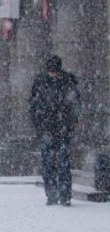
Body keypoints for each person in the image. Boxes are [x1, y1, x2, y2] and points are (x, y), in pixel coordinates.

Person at [29, 55, 81, 206]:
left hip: (60, 130)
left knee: (61, 164)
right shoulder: (41, 83)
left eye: (54, 71)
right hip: (49, 130)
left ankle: (63, 195)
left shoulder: (66, 83)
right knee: (49, 164)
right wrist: (39, 126)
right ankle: (52, 194)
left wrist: (69, 125)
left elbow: (75, 107)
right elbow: (34, 106)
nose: (52, 74)